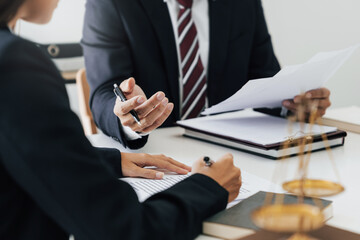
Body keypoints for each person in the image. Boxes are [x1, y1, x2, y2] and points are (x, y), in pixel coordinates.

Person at [0, 0, 242, 239]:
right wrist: (207, 187)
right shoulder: (14, 63)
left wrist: (111, 161)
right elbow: (124, 230)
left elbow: (20, 148)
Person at [82, 0, 332, 150]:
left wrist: (293, 105)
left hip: (235, 151)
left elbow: (265, 79)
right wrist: (128, 115)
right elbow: (105, 91)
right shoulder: (110, 3)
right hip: (158, 156)